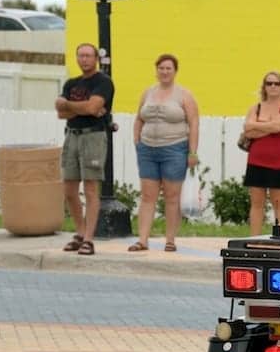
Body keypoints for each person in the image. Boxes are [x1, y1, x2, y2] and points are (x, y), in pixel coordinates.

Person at [128, 53, 200, 253]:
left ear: (175, 71)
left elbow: (193, 123)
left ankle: (170, 240)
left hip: (175, 148)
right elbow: (139, 118)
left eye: (169, 68)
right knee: (147, 195)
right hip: (148, 148)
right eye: (161, 68)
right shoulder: (148, 93)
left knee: (171, 196)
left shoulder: (184, 95)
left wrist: (192, 152)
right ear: (156, 70)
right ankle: (142, 240)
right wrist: (137, 141)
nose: (165, 72)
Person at [55, 43, 114, 256]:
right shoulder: (71, 83)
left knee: (90, 188)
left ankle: (89, 239)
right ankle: (79, 233)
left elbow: (92, 107)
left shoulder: (103, 82)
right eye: (81, 55)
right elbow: (60, 112)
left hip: (93, 136)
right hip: (72, 136)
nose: (84, 59)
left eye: (88, 56)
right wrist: (82, 108)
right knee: (69, 190)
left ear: (96, 58)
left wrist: (69, 105)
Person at [241, 70, 280, 235]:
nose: (273, 86)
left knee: (279, 203)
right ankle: (255, 239)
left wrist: (259, 125)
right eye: (269, 83)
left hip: (279, 162)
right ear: (264, 87)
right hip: (256, 160)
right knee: (256, 204)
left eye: (277, 83)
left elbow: (279, 127)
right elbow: (247, 130)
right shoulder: (256, 108)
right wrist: (271, 125)